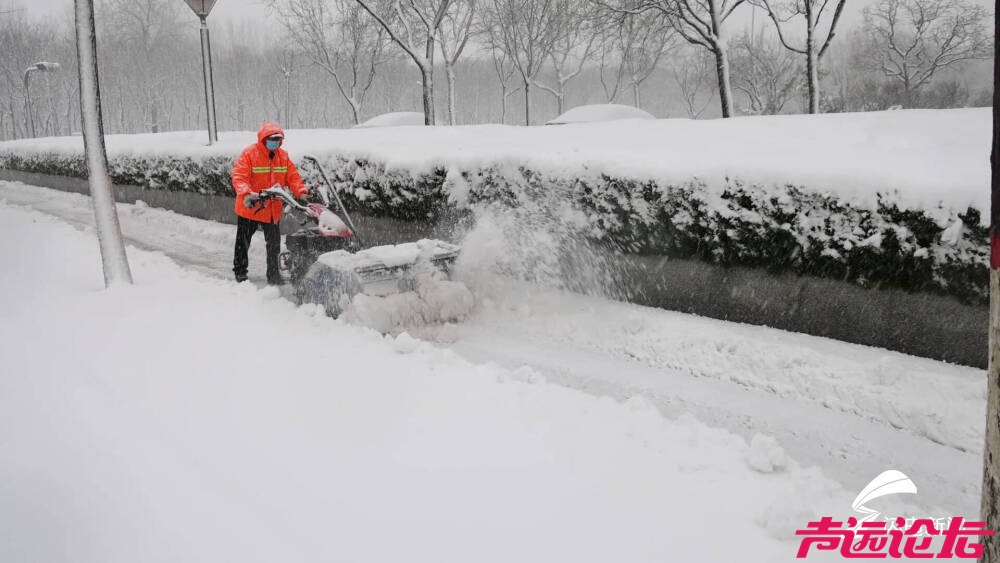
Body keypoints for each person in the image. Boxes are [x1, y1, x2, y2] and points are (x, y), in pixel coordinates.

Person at [231, 121, 309, 284]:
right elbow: (239, 177)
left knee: (273, 244)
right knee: (243, 242)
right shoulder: (250, 154)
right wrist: (247, 194)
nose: (275, 142)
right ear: (264, 139)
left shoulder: (283, 156)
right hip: (251, 206)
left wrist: (301, 192)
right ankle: (240, 271)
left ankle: (273, 275)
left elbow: (292, 177)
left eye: (278, 140)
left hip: (273, 208)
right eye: (272, 139)